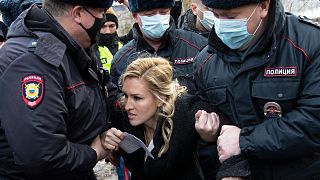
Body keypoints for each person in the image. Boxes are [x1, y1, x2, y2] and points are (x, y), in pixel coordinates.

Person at [194, 0, 320, 179]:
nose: (222, 24)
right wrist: (209, 133)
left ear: (264, 6)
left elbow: (314, 121)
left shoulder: (309, 44)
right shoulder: (205, 62)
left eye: (231, 17)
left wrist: (244, 141)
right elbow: (208, 144)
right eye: (216, 15)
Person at [0, 0, 114, 179]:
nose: (103, 19)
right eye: (100, 12)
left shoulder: (72, 46)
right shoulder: (33, 61)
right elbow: (43, 156)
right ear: (77, 14)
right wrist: (94, 152)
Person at [102, 57, 224, 180]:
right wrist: (110, 143)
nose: (127, 105)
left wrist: (210, 138)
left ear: (160, 98)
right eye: (126, 95)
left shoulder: (188, 114)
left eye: (137, 98)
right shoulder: (123, 117)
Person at [110, 0, 207, 95]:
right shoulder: (122, 59)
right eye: (150, 14)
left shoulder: (197, 45)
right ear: (135, 16)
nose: (158, 19)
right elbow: (119, 103)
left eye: (163, 12)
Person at [96, 7, 123, 72]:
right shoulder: (91, 50)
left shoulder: (124, 44)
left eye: (111, 26)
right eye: (103, 26)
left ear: (116, 27)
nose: (107, 31)